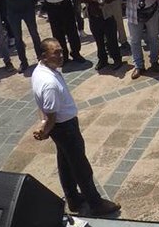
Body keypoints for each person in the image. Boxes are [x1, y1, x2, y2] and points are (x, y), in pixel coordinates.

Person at [30, 39, 121, 217]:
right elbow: (51, 115)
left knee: (65, 162)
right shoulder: (49, 83)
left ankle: (73, 199)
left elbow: (42, 108)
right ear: (44, 56)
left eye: (61, 51)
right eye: (56, 53)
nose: (61, 55)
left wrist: (44, 127)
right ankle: (96, 204)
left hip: (60, 128)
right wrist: (44, 130)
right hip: (65, 128)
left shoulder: (39, 71)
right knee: (81, 166)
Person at [78, 0, 122, 70]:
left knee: (112, 39)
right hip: (93, 15)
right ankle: (102, 60)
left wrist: (104, 0)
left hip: (107, 14)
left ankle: (117, 60)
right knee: (99, 40)